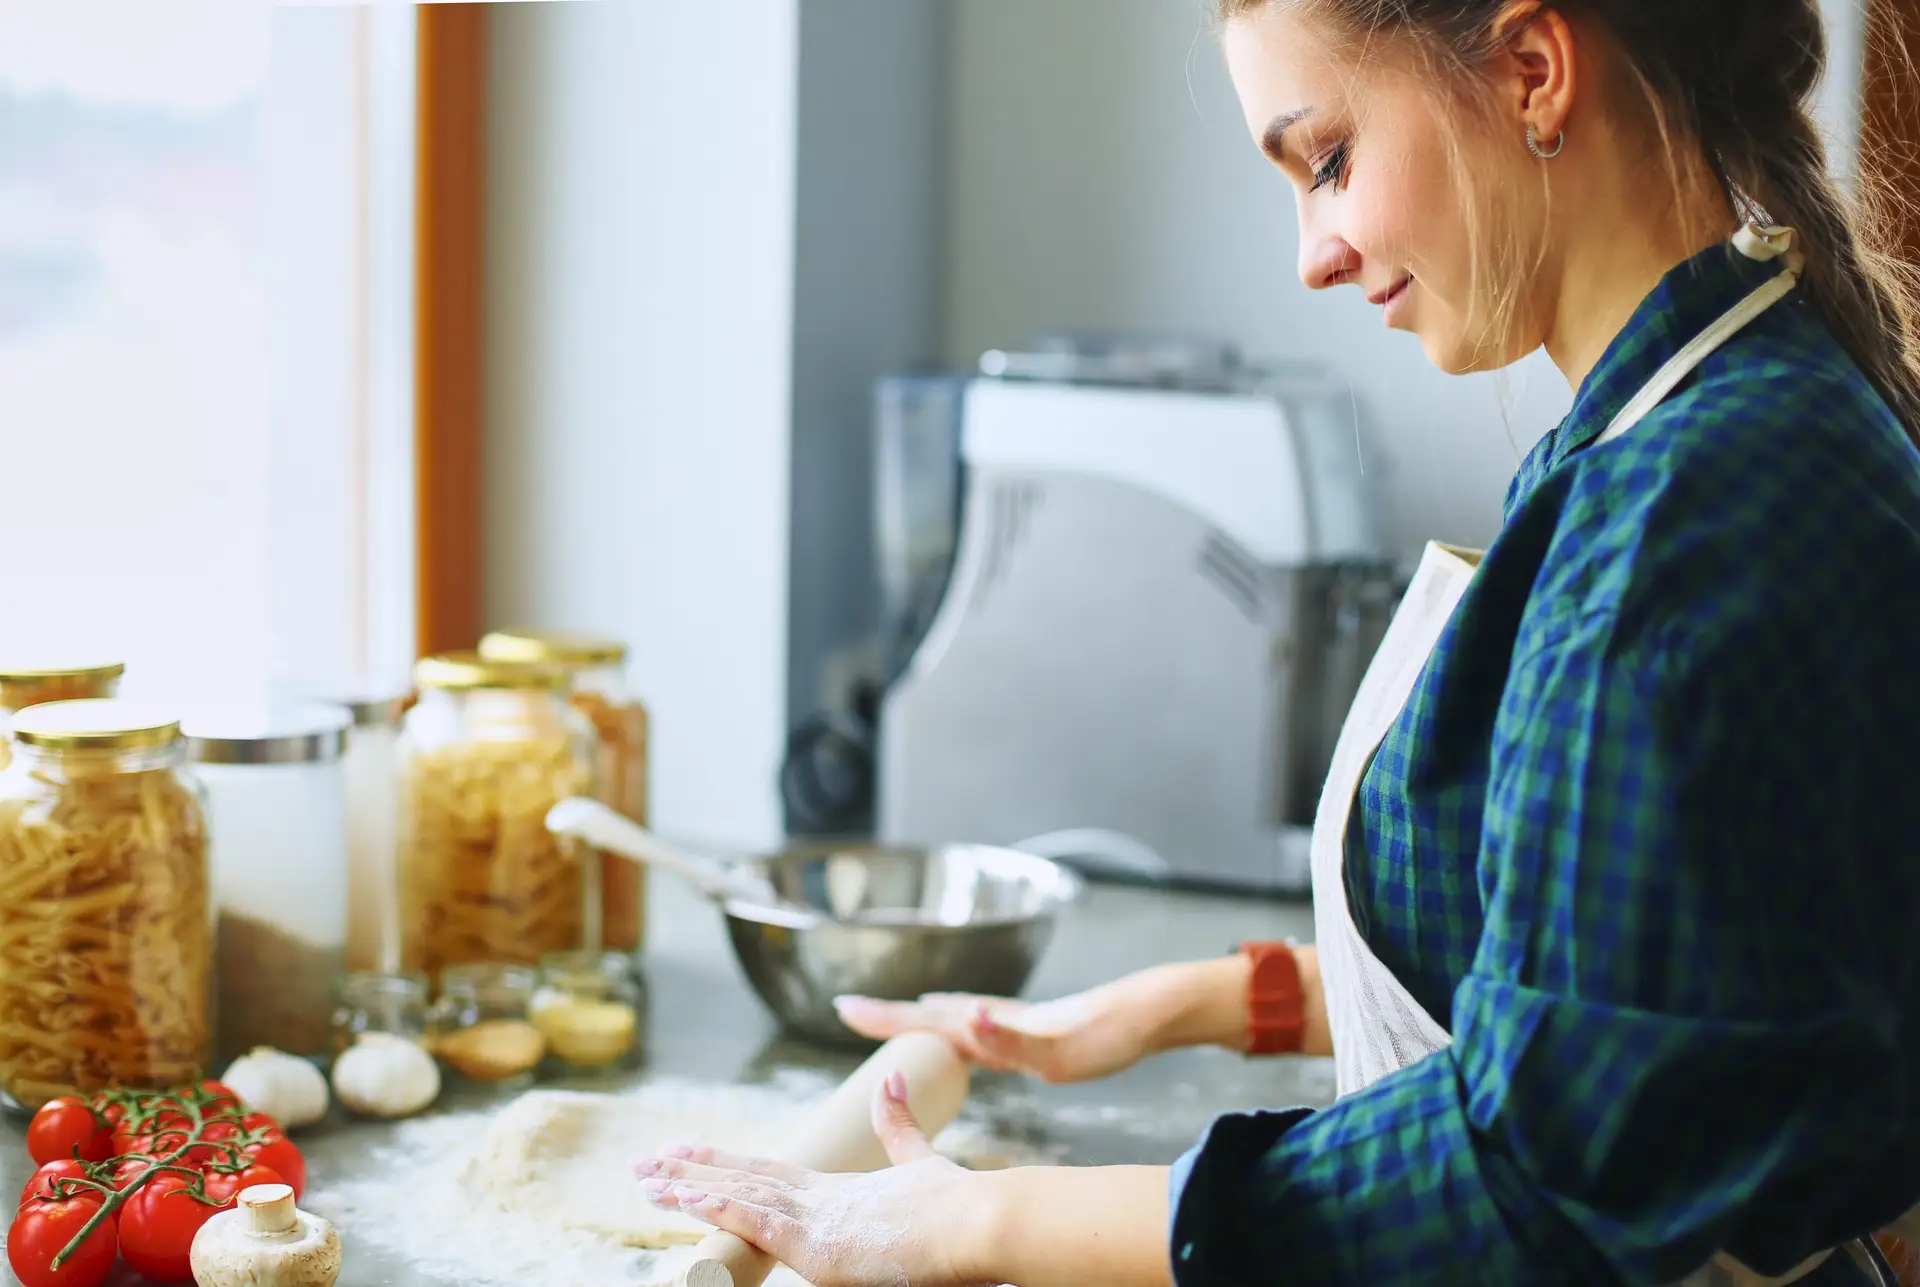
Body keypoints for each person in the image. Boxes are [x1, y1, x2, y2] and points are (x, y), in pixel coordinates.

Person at [634, 0, 1920, 1282]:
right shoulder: (1693, 424)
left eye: (1328, 161)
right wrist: (1175, 1008)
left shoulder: (1683, 523)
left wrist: (983, 1222)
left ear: (1532, 72)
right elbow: (1634, 982)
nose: (1314, 252)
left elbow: (1542, 1175)